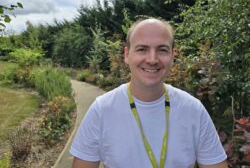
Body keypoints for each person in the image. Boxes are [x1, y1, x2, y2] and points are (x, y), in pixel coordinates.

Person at [70, 18, 228, 168]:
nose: (152, 59)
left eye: (162, 50)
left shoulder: (193, 110)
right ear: (127, 55)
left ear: (173, 55)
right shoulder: (102, 110)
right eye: (142, 49)